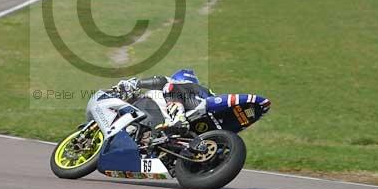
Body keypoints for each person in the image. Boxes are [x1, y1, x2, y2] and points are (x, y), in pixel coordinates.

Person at [114, 68, 270, 135]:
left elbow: (161, 81)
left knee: (166, 86)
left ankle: (178, 120)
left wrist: (134, 83)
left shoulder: (178, 86)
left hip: (189, 114)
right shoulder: (205, 91)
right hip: (203, 126)